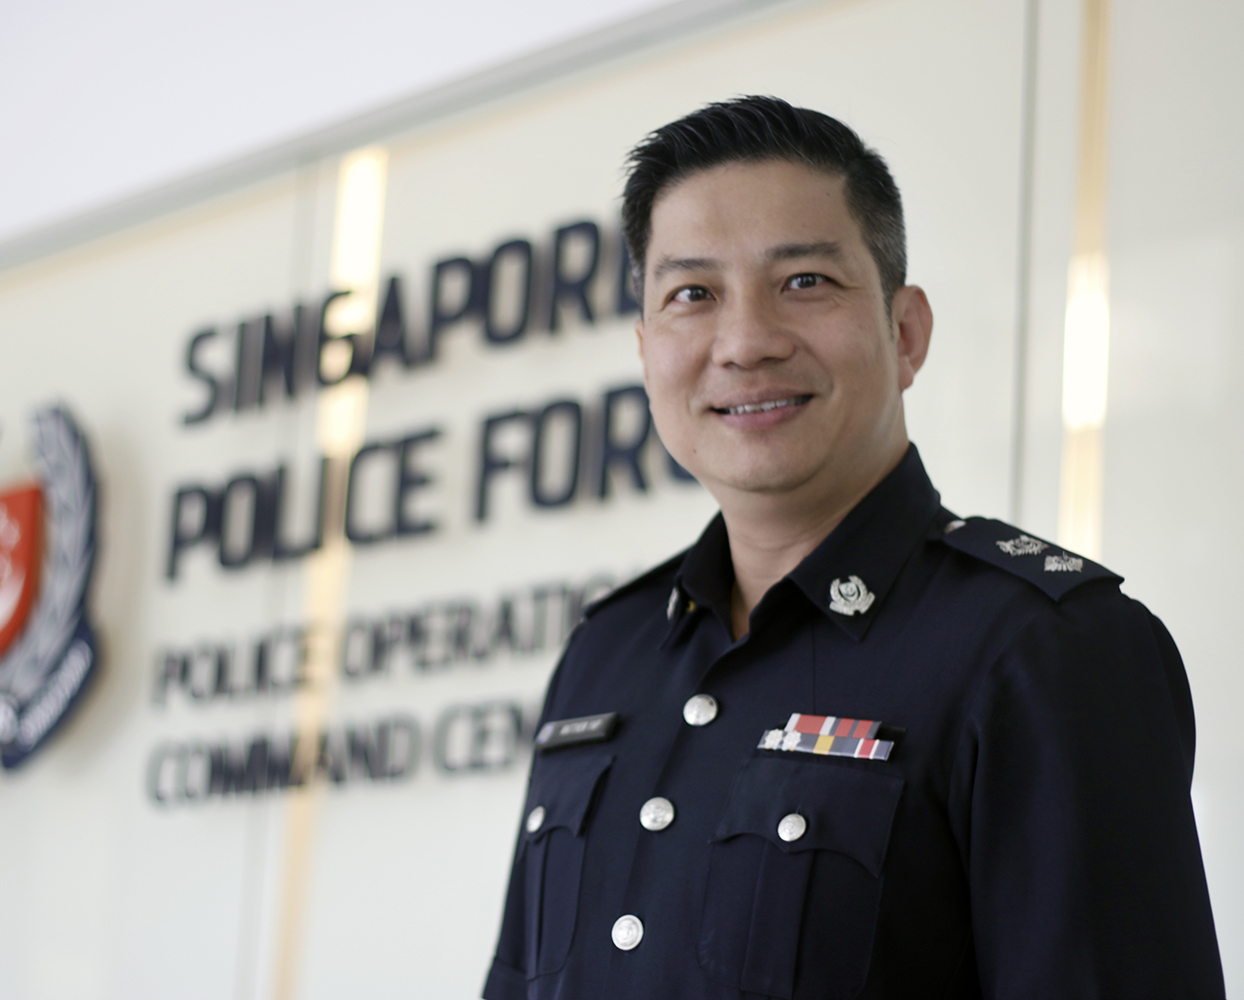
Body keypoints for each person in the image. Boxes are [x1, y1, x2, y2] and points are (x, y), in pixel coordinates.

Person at [482, 96, 1223, 1000]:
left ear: (905, 333)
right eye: (693, 294)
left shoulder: (1044, 651)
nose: (745, 343)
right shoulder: (606, 651)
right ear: (646, 355)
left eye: (804, 281)